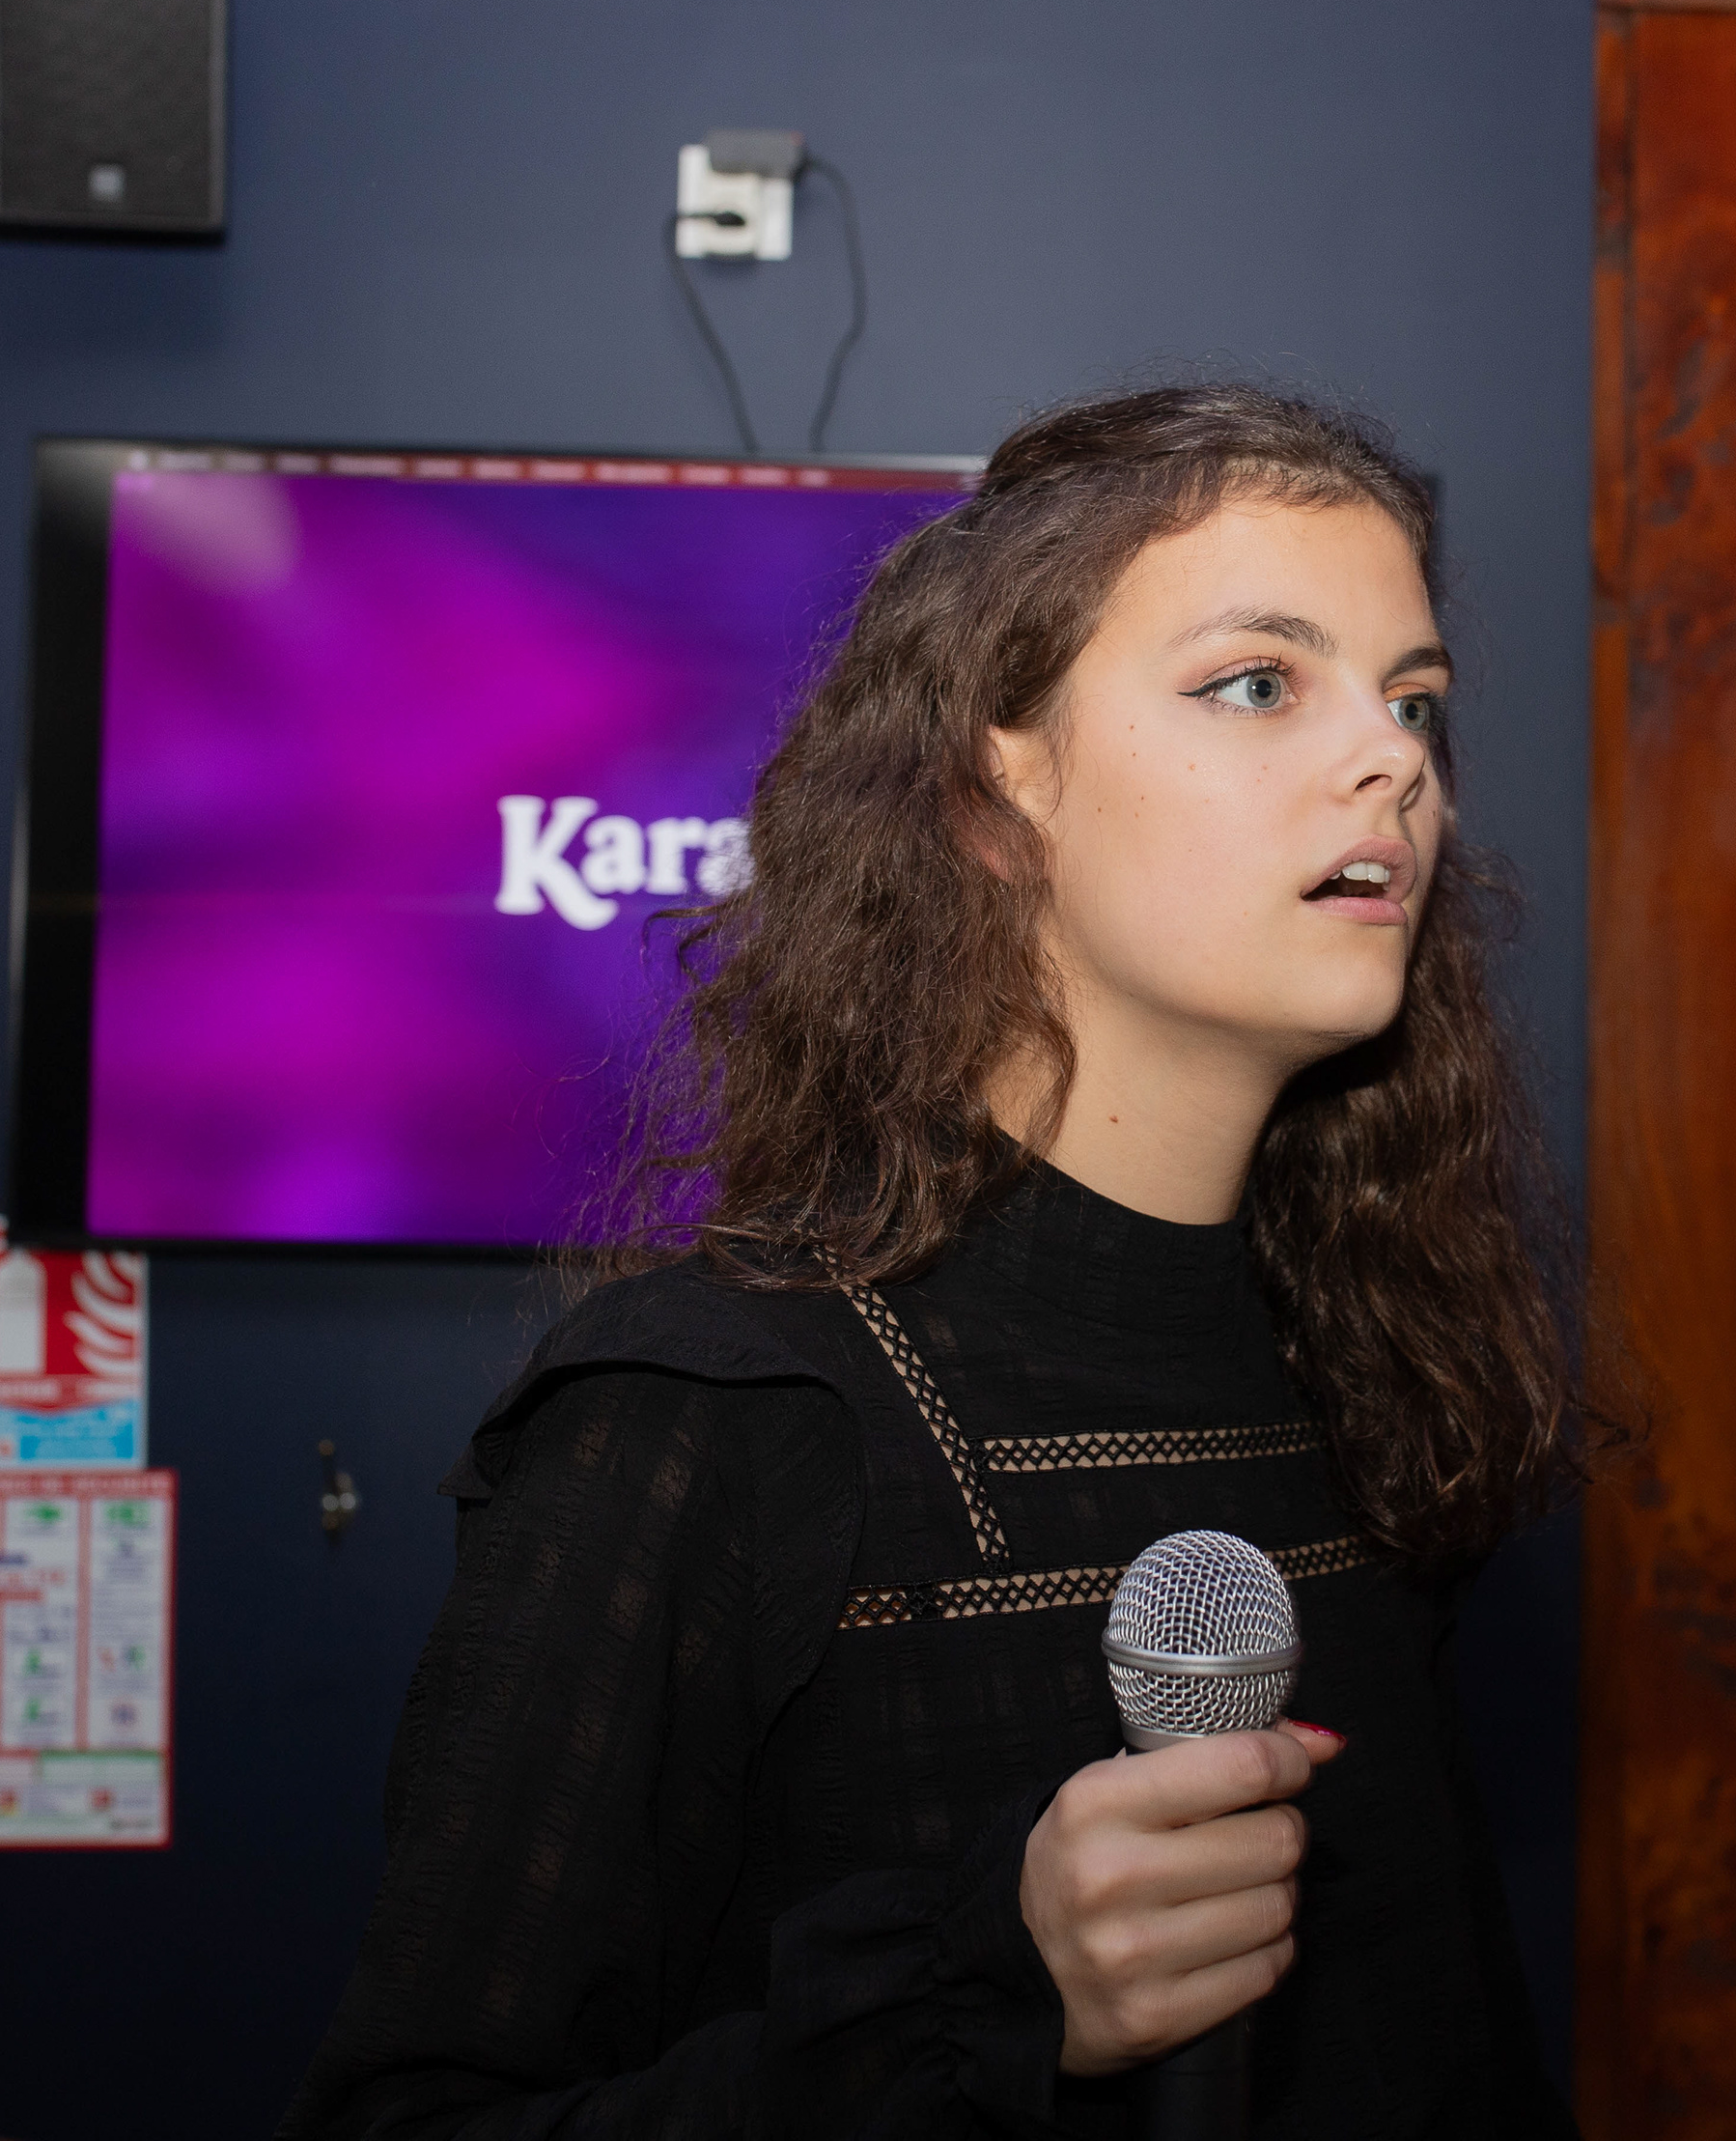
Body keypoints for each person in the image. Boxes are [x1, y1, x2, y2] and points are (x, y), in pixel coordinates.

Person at [281, 385, 1595, 2139]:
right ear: (993, 798)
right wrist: (978, 2002)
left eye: (1411, 699)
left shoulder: (1371, 1368)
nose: (1396, 762)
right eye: (1259, 683)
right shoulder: (713, 1416)